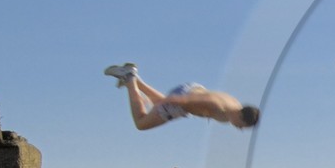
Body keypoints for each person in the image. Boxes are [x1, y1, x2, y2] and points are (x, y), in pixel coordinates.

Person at [104, 63, 260, 130]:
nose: (238, 128)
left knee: (162, 105)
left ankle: (134, 79)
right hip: (183, 100)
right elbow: (185, 101)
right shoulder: (218, 106)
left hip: (191, 89)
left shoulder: (234, 105)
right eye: (241, 125)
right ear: (240, 114)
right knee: (141, 123)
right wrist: (154, 101)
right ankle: (130, 78)